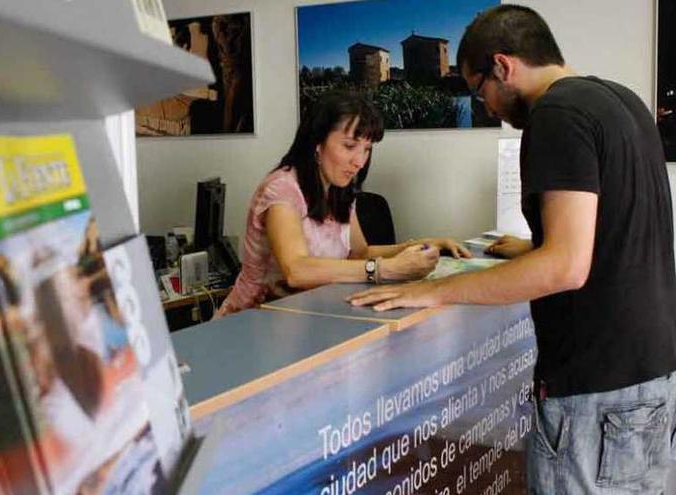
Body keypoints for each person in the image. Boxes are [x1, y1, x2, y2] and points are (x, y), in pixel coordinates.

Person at [348, 5, 676, 493]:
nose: (485, 107)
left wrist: (437, 292)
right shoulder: (620, 100)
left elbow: (566, 266)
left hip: (595, 390)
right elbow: (613, 236)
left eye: (479, 90)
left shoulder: (556, 116)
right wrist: (530, 248)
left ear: (502, 65)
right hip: (650, 375)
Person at [216, 91, 470, 317]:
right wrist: (384, 270)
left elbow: (358, 253)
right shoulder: (282, 188)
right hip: (254, 320)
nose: (359, 161)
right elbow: (297, 270)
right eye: (349, 146)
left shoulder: (339, 188)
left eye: (367, 149)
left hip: (309, 315)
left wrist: (421, 245)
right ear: (317, 143)